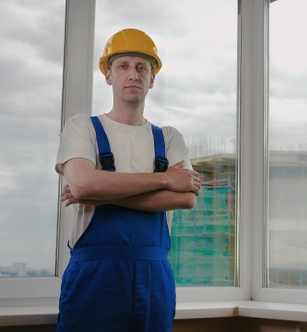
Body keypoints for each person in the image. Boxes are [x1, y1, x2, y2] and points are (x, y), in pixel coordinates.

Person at [55, 28, 201, 331]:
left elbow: (184, 197)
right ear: (108, 75)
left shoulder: (169, 137)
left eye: (141, 67)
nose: (132, 74)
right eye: (123, 66)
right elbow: (82, 185)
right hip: (94, 278)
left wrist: (101, 192)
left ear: (152, 78)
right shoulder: (82, 128)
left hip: (154, 280)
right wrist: (164, 179)